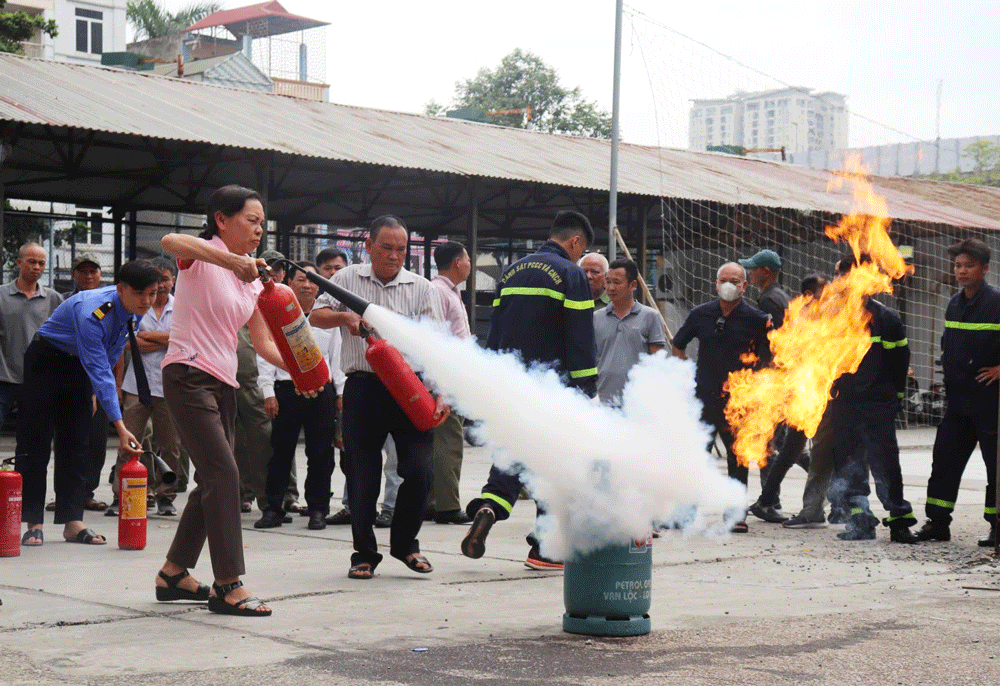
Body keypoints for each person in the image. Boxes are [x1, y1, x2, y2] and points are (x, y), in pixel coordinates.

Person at [155, 184, 311, 617]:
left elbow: (262, 343)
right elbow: (170, 242)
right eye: (251, 219)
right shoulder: (202, 256)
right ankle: (227, 585)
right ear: (222, 219)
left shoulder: (253, 283)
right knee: (225, 473)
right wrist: (232, 261)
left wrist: (301, 373)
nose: (259, 229)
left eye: (263, 223)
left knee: (212, 479)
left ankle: (173, 573)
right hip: (187, 373)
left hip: (222, 383)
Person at [310, 215, 449, 580]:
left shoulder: (422, 288)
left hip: (410, 390)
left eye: (401, 249)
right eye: (386, 248)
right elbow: (315, 315)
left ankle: (406, 545)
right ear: (368, 245)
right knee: (362, 474)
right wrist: (346, 318)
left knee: (419, 471)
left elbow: (437, 347)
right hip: (364, 388)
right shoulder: (345, 279)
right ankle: (364, 553)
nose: (394, 256)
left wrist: (443, 393)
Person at [460, 210, 597, 570]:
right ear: (575, 242)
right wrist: (586, 389)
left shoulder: (512, 270)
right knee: (553, 466)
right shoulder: (571, 274)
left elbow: (495, 330)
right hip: (552, 389)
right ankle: (544, 549)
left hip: (511, 385)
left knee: (512, 451)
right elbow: (580, 338)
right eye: (581, 252)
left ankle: (490, 505)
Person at [16, 259, 160, 547]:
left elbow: (111, 354)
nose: (146, 301)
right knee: (36, 442)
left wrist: (94, 393)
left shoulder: (135, 311)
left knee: (77, 443)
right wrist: (120, 426)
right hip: (47, 361)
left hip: (79, 368)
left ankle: (73, 522)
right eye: (140, 294)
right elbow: (99, 365)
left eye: (152, 294)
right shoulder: (93, 312)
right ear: (121, 289)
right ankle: (33, 523)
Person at [671, 262, 772, 533]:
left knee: (738, 458)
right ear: (716, 283)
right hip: (703, 398)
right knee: (696, 455)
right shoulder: (700, 314)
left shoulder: (757, 318)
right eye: (724, 279)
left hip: (738, 402)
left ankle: (735, 514)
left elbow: (773, 356)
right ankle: (687, 512)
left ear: (744, 286)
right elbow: (678, 344)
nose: (729, 284)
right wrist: (686, 376)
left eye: (735, 280)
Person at [826, 254, 918, 544]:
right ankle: (860, 520)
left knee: (885, 463)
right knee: (848, 463)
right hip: (844, 405)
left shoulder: (886, 319)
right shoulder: (832, 317)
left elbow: (899, 362)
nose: (837, 282)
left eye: (841, 275)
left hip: (877, 404)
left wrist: (895, 398)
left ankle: (899, 522)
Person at [917, 238, 1000, 547]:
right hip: (957, 400)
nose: (962, 271)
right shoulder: (954, 302)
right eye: (958, 266)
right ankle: (938, 524)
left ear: (985, 269)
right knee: (945, 461)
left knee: (996, 465)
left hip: (989, 399)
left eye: (969, 266)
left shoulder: (996, 302)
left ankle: (997, 526)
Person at [254, 261, 337, 531]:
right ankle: (273, 507)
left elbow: (336, 358)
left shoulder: (327, 316)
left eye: (312, 279)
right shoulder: (277, 312)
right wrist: (268, 391)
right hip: (287, 390)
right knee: (280, 452)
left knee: (321, 453)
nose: (307, 284)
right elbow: (265, 353)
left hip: (322, 389)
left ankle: (318, 510)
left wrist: (341, 393)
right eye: (301, 279)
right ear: (290, 283)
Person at [110, 257, 181, 517]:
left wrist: (145, 336)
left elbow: (184, 340)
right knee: (129, 442)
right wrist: (166, 340)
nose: (161, 285)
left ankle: (166, 496)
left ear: (173, 280)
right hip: (136, 386)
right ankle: (122, 495)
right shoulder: (137, 306)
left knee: (170, 446)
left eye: (166, 278)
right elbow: (127, 343)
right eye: (157, 279)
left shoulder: (182, 308)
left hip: (169, 387)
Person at [428, 240, 474, 525]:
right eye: (468, 258)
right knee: (449, 441)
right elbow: (435, 338)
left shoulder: (451, 292)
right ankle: (446, 506)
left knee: (442, 442)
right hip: (444, 377)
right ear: (458, 262)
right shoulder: (438, 291)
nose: (470, 264)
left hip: (454, 375)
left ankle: (433, 502)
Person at [65, 254, 112, 514]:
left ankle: (87, 493)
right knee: (68, 440)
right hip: (69, 379)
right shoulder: (65, 302)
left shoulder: (107, 304)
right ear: (74, 275)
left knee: (96, 441)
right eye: (82, 271)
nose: (87, 276)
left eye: (92, 271)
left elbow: (114, 348)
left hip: (98, 380)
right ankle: (67, 495)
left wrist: (112, 386)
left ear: (99, 274)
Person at [0, 243, 63, 428]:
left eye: (41, 263)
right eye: (32, 261)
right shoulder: (1, 295)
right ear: (19, 262)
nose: (37, 267)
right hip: (3, 379)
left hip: (38, 380)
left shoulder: (54, 299)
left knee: (33, 437)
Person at [594, 258, 666, 405]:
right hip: (603, 399)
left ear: (633, 284)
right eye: (608, 282)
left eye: (617, 282)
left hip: (637, 402)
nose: (611, 288)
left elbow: (658, 363)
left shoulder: (650, 316)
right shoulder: (596, 318)